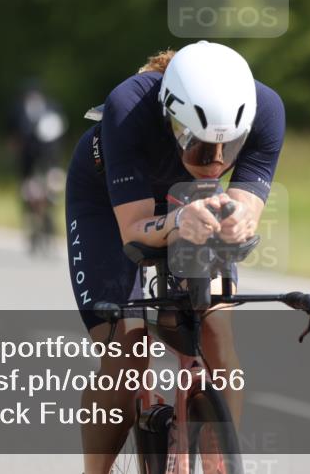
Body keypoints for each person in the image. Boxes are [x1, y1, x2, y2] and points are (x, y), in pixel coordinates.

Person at [64, 41, 285, 473]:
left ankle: (221, 463)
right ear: (172, 119)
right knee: (127, 352)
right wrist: (179, 221)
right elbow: (134, 228)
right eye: (200, 146)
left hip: (190, 199)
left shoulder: (268, 111)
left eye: (229, 147)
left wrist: (237, 221)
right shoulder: (128, 106)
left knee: (216, 332)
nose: (215, 162)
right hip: (109, 202)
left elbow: (245, 209)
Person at [9, 80, 67, 253]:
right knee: (30, 197)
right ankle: (34, 229)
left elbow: (58, 142)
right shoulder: (20, 114)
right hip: (31, 167)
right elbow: (16, 142)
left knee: (52, 194)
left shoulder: (52, 111)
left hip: (50, 165)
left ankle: (48, 227)